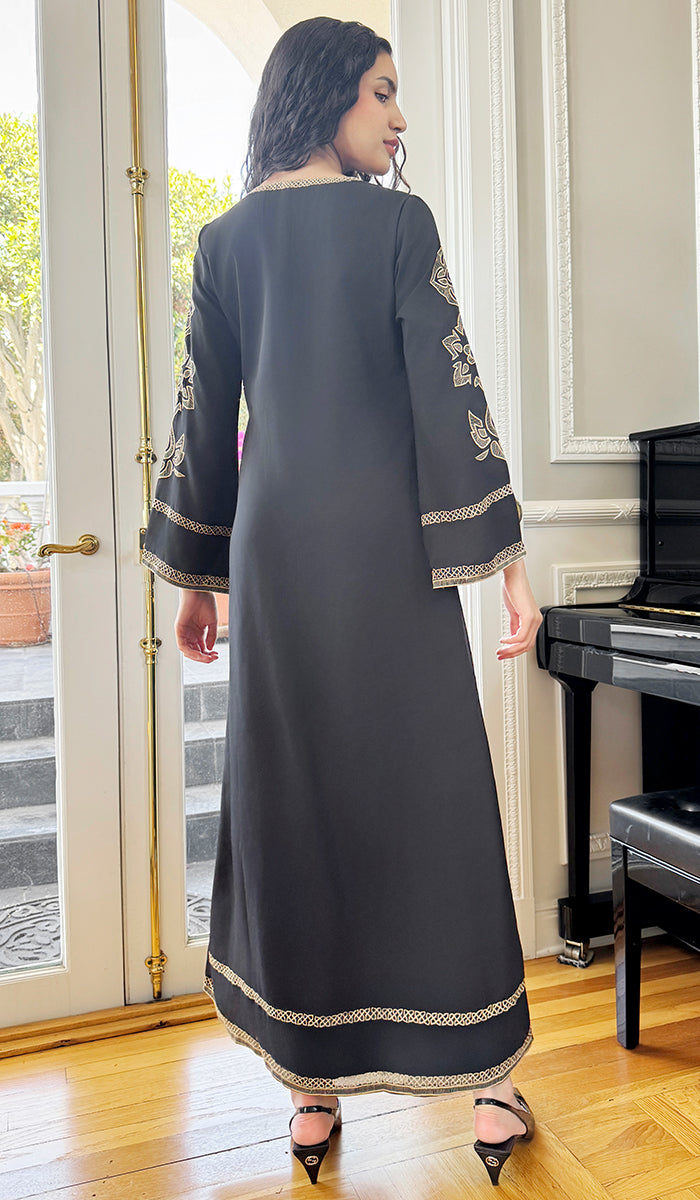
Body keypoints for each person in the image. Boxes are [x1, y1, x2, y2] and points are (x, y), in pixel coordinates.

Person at [142, 16, 542, 1188]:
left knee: (294, 792)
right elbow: (448, 392)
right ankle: (488, 1084)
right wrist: (505, 559)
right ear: (324, 95)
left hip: (274, 554)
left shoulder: (225, 241)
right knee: (433, 790)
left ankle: (310, 1096)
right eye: (380, 92)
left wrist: (199, 575)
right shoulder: (394, 225)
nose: (398, 119)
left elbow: (201, 414)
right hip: (388, 550)